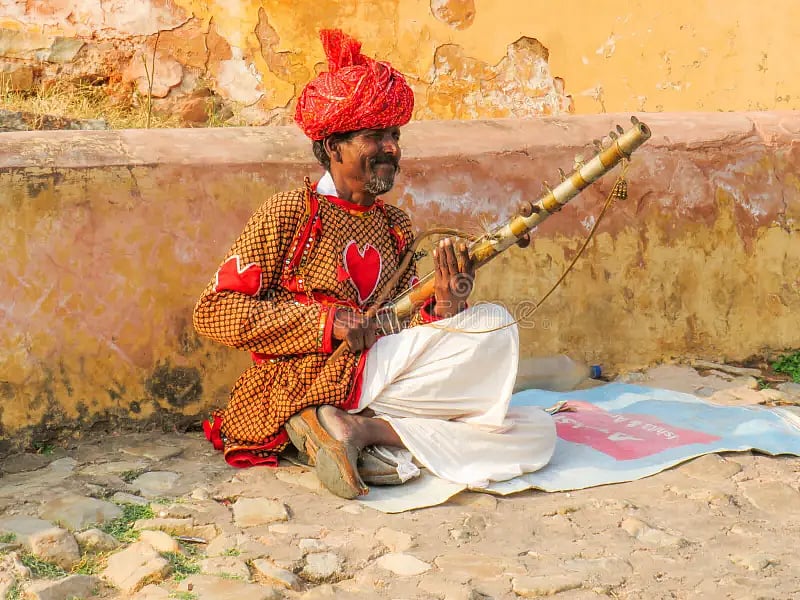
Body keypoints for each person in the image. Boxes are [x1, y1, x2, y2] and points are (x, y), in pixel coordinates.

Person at [193, 29, 556, 499]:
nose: (391, 149)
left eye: (395, 135)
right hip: (311, 374)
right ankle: (343, 424)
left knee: (537, 432)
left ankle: (358, 433)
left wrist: (447, 303)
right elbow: (215, 310)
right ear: (331, 147)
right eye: (374, 136)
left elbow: (405, 325)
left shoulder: (395, 225)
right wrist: (328, 323)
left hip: (380, 378)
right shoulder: (289, 212)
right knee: (498, 325)